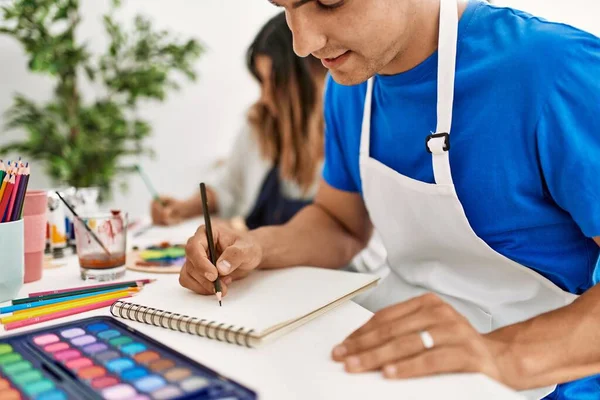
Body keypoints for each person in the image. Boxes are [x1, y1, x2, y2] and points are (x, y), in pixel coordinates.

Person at [181, 0, 600, 398]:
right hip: (394, 357)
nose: (303, 44)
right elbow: (338, 223)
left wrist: (499, 354)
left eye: (330, 3)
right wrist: (256, 248)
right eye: (285, 8)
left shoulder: (556, 72)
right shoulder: (350, 83)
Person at [151, 12, 326, 232]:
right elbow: (229, 188)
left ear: (309, 79)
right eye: (260, 81)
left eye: (274, 82)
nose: (265, 96)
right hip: (263, 264)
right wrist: (184, 207)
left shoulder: (345, 134)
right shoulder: (259, 124)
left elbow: (349, 240)